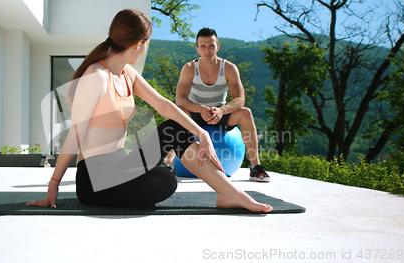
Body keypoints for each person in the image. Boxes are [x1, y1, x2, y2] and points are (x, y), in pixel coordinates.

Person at [26, 10, 272, 212]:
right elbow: (75, 133)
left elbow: (164, 105)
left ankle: (228, 192)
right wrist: (53, 186)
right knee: (164, 180)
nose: (146, 48)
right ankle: (125, 191)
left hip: (120, 164)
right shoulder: (96, 77)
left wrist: (201, 133)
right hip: (95, 178)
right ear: (137, 44)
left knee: (175, 129)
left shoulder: (127, 73)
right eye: (147, 43)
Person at [168, 27, 270, 182]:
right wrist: (201, 109)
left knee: (246, 113)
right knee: (177, 111)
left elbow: (240, 98)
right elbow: (180, 99)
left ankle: (255, 167)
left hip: (220, 114)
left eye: (211, 46)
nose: (207, 50)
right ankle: (169, 165)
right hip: (196, 113)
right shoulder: (189, 69)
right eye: (203, 46)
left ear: (218, 47)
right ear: (197, 49)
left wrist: (222, 110)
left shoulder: (229, 68)